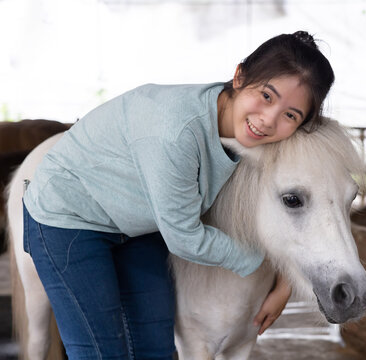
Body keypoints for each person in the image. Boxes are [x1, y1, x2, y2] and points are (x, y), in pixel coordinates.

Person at [22, 30, 335, 359]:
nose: (269, 119)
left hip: (136, 220)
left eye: (290, 115)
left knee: (156, 347)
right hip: (68, 214)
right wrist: (263, 265)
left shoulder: (258, 135)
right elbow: (186, 237)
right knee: (102, 352)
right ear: (240, 76)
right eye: (267, 96)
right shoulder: (177, 132)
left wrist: (285, 283)